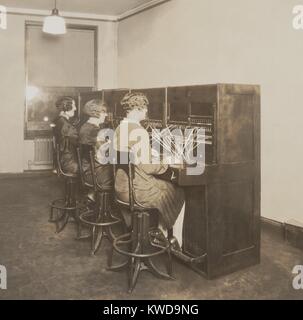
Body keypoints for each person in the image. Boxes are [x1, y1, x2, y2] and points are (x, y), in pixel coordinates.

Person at [113, 92, 185, 245]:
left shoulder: (120, 128)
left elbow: (132, 156)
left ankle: (160, 232)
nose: (146, 111)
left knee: (165, 186)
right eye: (145, 108)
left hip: (121, 187)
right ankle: (171, 239)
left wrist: (149, 154)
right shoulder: (139, 132)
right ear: (138, 108)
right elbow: (147, 167)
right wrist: (166, 162)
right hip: (137, 191)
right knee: (178, 191)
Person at [78, 100, 114, 190]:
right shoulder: (94, 131)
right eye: (103, 112)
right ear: (95, 113)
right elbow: (106, 155)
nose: (106, 115)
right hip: (95, 173)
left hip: (87, 170)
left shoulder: (86, 126)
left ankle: (96, 197)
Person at [52, 96, 79, 174]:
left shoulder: (58, 120)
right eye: (74, 106)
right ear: (66, 107)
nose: (75, 109)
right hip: (69, 161)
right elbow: (79, 142)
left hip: (62, 159)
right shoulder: (65, 124)